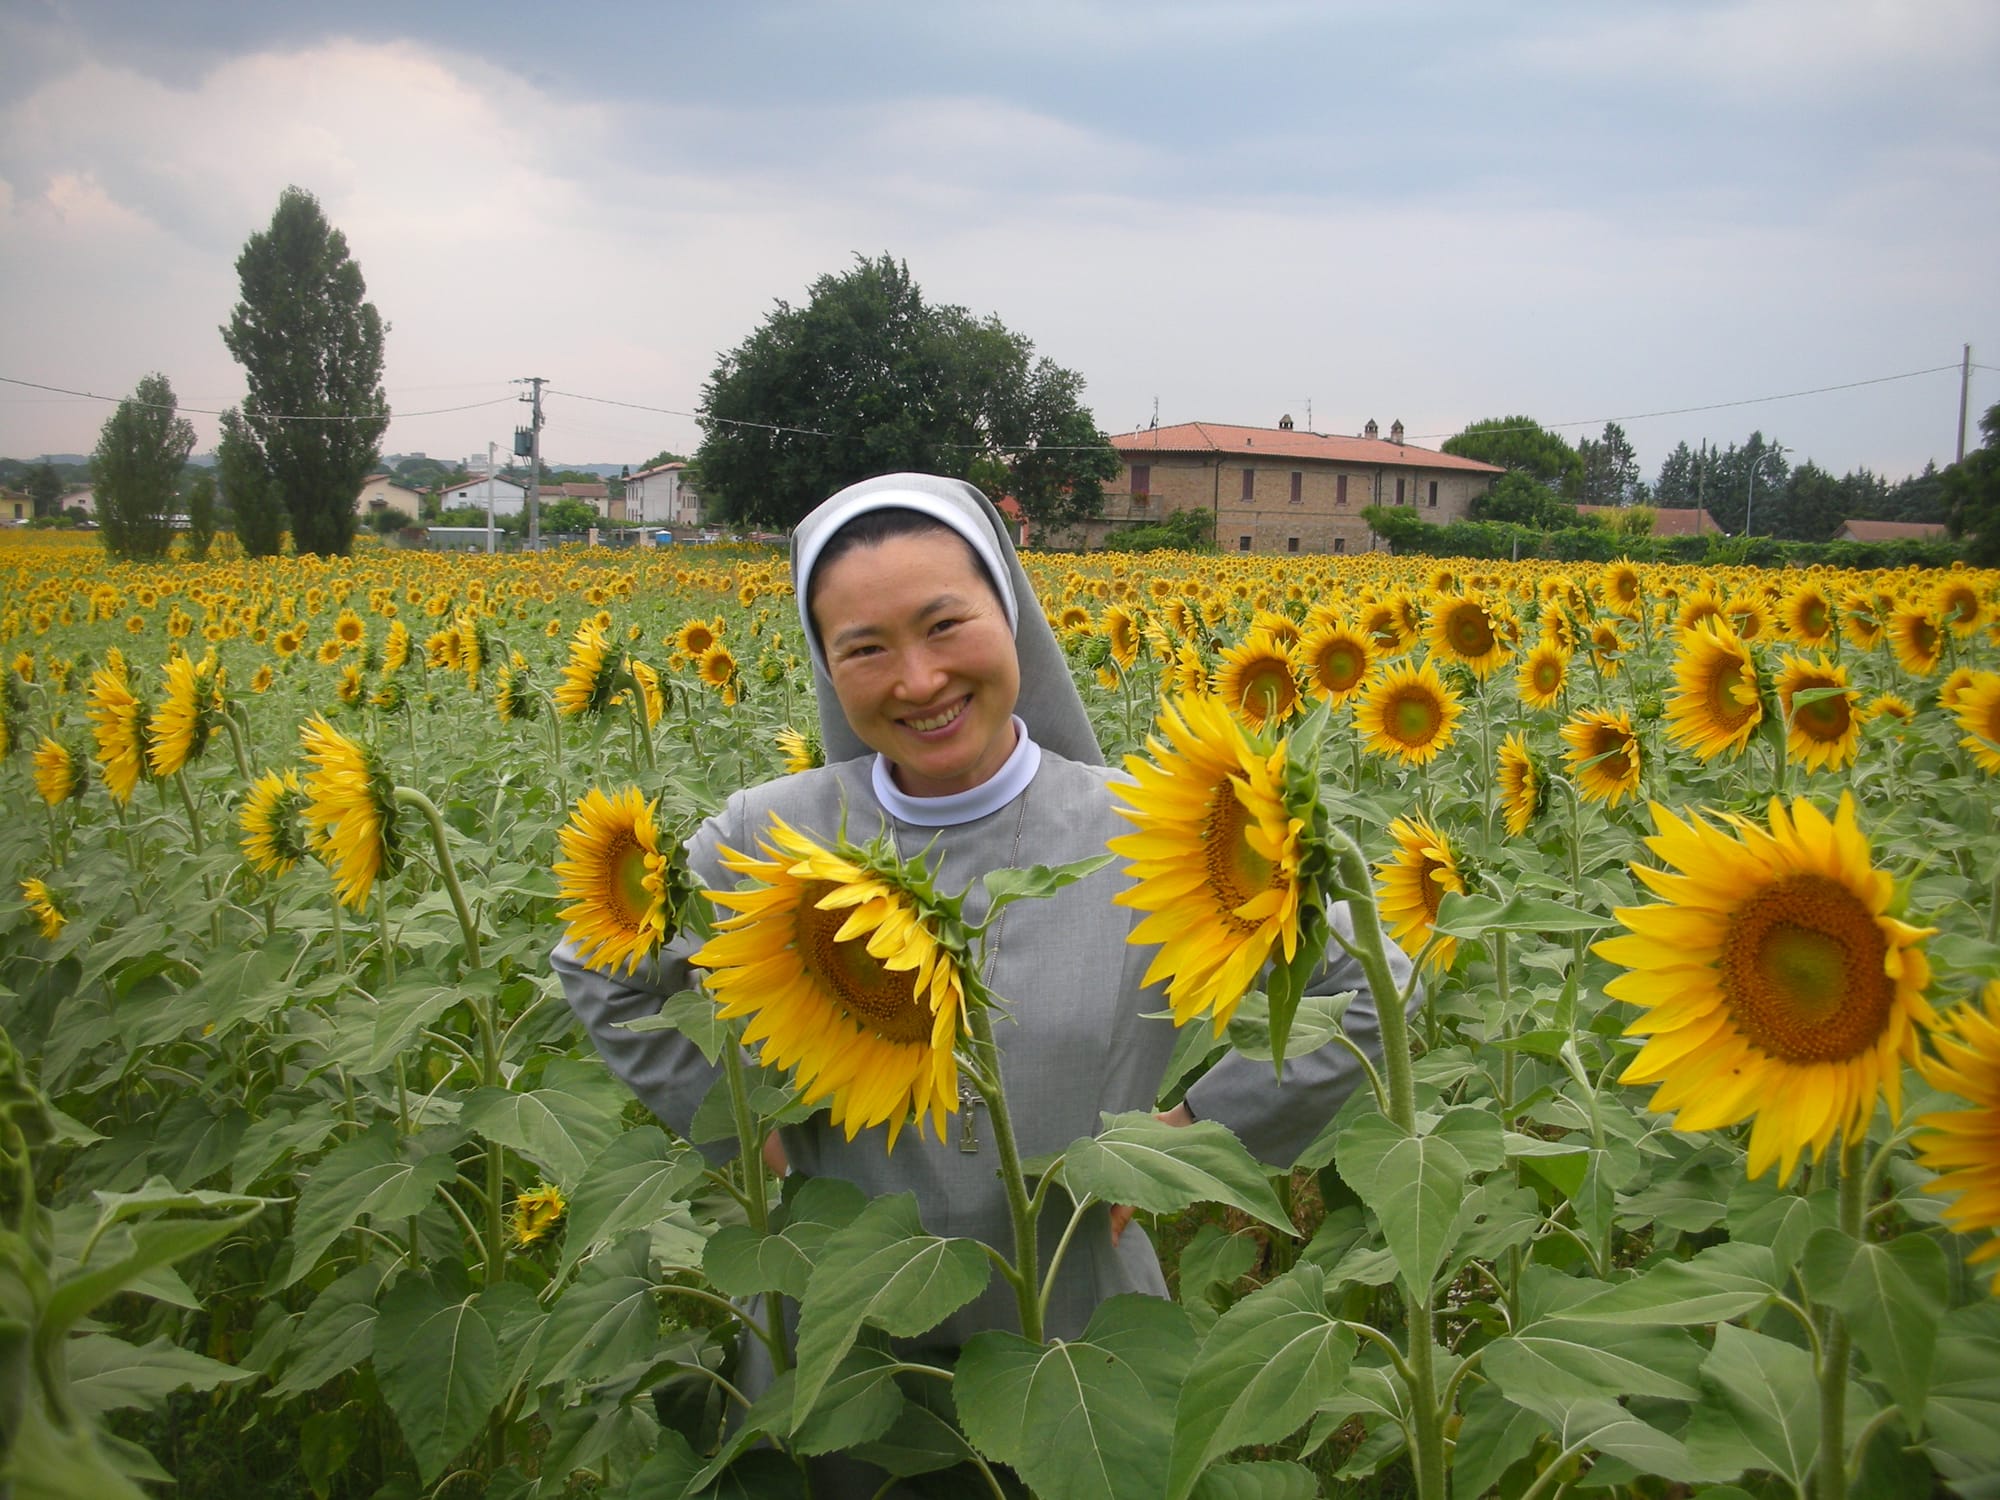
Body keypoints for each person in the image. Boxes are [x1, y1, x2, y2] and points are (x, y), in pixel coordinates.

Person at [552, 472, 1416, 1484]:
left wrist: (1184, 1144)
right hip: (839, 1331)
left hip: (1077, 1306)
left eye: (943, 625)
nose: (916, 680)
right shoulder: (768, 833)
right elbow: (601, 963)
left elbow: (1370, 984)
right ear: (828, 668)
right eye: (864, 648)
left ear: (1009, 617)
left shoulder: (1150, 829)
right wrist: (752, 1134)